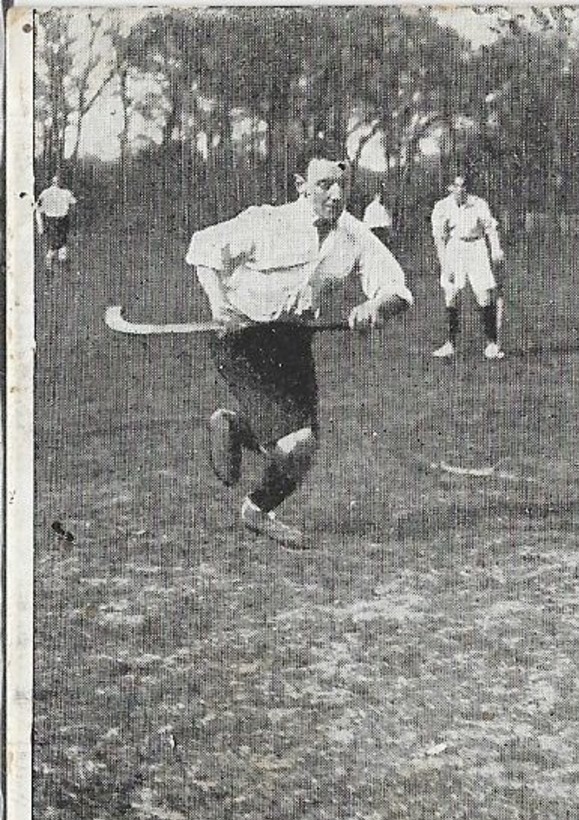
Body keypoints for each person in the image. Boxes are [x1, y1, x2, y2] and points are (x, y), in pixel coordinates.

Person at [187, 150, 413, 549]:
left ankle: (256, 502)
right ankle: (249, 462)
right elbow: (204, 249)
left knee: (303, 449)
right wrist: (219, 304)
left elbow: (397, 289)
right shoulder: (267, 221)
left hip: (292, 340)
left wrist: (374, 306)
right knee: (295, 441)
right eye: (325, 184)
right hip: (242, 337)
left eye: (342, 184)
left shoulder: (353, 234)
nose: (336, 194)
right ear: (301, 186)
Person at [430, 174, 505, 361]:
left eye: (464, 186)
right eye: (457, 186)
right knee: (451, 295)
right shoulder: (442, 207)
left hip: (477, 247)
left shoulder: (479, 203)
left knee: (484, 295)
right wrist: (445, 265)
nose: (460, 190)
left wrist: (496, 249)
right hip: (455, 248)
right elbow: (439, 239)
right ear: (450, 188)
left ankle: (491, 344)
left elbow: (490, 228)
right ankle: (450, 343)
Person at [36, 174, 78, 268]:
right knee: (57, 241)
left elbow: (38, 209)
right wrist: (40, 226)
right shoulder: (60, 192)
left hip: (57, 219)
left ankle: (59, 260)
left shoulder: (60, 192)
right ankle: (52, 259)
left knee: (59, 240)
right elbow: (38, 209)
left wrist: (40, 226)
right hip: (56, 219)